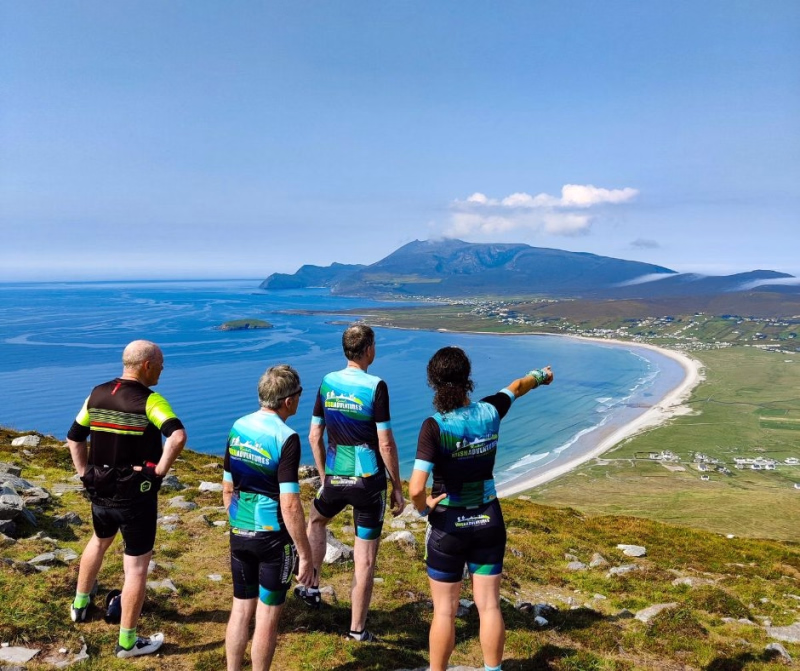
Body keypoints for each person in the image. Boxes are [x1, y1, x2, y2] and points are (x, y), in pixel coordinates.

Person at [409, 346, 553, 671]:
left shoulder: (434, 426)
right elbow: (517, 387)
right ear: (467, 379)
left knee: (444, 611)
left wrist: (423, 506)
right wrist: (541, 376)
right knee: (489, 606)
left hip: (448, 524)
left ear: (434, 383)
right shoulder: (490, 411)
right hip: (488, 519)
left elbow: (416, 488)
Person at [67, 339, 187, 658]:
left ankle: (80, 605)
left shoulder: (97, 393)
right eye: (160, 364)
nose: (162, 369)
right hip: (135, 496)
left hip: (100, 490)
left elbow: (74, 437)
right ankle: (127, 642)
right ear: (146, 365)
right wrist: (158, 472)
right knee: (136, 567)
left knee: (98, 541)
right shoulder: (150, 400)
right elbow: (177, 436)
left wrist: (84, 474)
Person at [296, 324, 405, 641]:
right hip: (369, 483)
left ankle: (311, 586)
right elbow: (386, 444)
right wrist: (397, 487)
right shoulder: (376, 386)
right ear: (369, 349)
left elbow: (314, 435)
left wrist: (324, 477)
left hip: (335, 475)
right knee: (365, 558)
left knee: (317, 521)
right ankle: (357, 630)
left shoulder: (327, 382)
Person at [222, 364, 314, 671]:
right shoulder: (287, 437)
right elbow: (290, 504)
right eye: (299, 394)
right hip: (273, 538)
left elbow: (227, 487)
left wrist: (238, 520)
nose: (300, 399)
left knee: (240, 610)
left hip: (240, 531)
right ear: (288, 401)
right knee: (267, 617)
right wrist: (304, 554)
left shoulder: (238, 426)